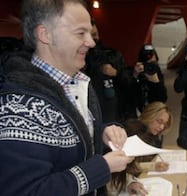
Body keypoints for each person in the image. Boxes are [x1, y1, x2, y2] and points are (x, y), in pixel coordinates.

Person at [0, 0, 134, 195]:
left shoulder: (78, 83)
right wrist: (101, 168)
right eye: (81, 33)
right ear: (45, 34)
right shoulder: (19, 106)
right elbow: (26, 190)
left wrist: (101, 134)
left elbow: (71, 138)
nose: (91, 42)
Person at [107, 102, 172, 196]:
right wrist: (129, 183)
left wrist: (153, 166)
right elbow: (115, 171)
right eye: (159, 121)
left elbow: (129, 167)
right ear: (150, 115)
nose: (162, 127)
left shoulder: (149, 135)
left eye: (165, 125)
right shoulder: (132, 132)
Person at [85, 20, 127, 123]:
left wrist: (116, 74)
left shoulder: (112, 54)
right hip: (89, 115)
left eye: (95, 34)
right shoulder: (78, 60)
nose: (93, 40)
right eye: (89, 35)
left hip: (114, 116)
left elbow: (128, 83)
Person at [123, 44, 167, 118]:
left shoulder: (156, 71)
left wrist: (156, 82)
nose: (149, 67)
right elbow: (128, 95)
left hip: (152, 114)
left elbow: (162, 99)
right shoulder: (134, 71)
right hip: (136, 114)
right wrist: (135, 76)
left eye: (152, 64)